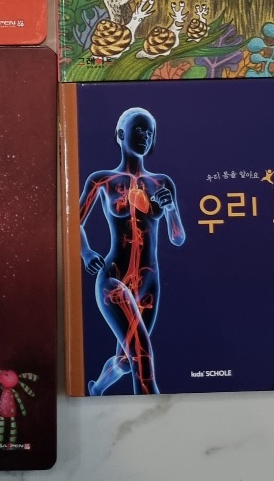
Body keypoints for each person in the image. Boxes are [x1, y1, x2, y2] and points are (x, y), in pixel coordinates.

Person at [80, 107, 185, 394]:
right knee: (142, 356)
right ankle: (154, 412)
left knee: (128, 360)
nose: (145, 136)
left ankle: (97, 388)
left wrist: (171, 209)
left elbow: (177, 238)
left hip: (149, 284)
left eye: (149, 132)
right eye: (138, 129)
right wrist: (86, 252)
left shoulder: (162, 183)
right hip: (113, 277)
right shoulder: (102, 180)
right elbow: (73, 223)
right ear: (120, 134)